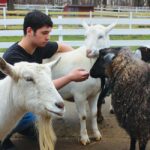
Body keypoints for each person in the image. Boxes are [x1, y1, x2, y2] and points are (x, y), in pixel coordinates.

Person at [0, 10, 89, 150]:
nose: (48, 37)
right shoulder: (13, 58)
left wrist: (76, 58)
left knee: (39, 127)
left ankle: (22, 128)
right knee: (36, 120)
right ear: (30, 31)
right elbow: (37, 89)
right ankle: (4, 139)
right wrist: (70, 77)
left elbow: (61, 46)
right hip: (9, 105)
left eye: (49, 33)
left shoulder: (39, 46)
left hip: (26, 101)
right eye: (44, 33)